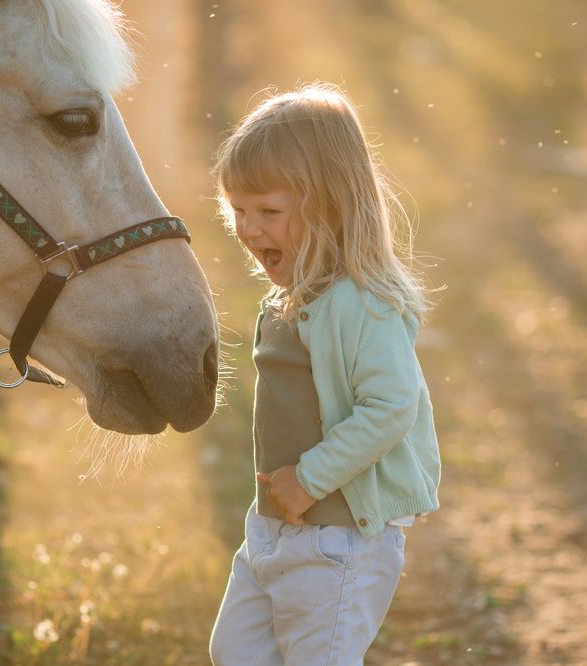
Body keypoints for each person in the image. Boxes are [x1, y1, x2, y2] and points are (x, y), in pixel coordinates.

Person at [208, 83, 442, 666]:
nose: (249, 229)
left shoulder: (363, 303)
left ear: (330, 207)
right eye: (237, 210)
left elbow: (391, 406)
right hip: (272, 530)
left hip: (341, 542)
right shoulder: (290, 300)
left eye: (269, 212)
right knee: (234, 653)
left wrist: (311, 479)